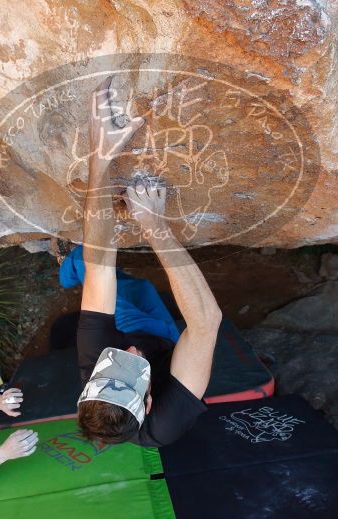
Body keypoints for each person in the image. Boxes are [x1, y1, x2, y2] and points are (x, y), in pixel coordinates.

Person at [69, 77, 222, 447]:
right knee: (165, 309)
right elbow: (205, 322)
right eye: (133, 367)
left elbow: (100, 264)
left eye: (116, 359)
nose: (130, 353)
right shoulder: (165, 421)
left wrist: (100, 154)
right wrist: (154, 225)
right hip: (169, 346)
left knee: (88, 266)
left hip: (128, 326)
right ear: (149, 402)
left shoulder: (97, 360)